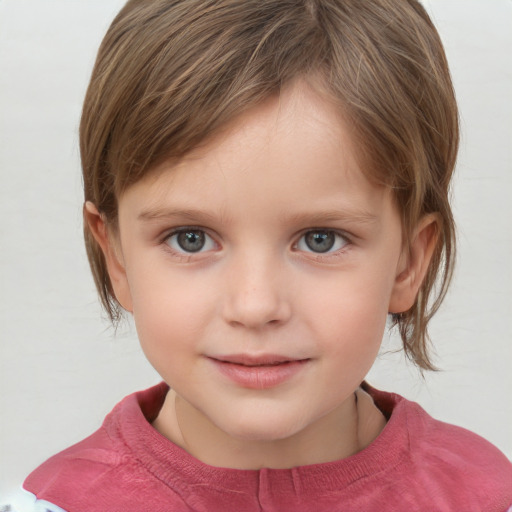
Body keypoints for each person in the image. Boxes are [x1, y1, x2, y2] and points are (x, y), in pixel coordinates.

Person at [8, 0, 512, 510]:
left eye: (320, 239)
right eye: (191, 238)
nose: (255, 306)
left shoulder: (487, 497)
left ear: (409, 262)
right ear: (116, 256)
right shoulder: (55, 504)